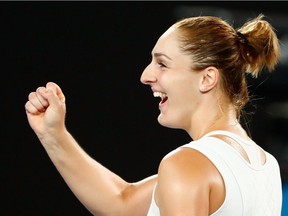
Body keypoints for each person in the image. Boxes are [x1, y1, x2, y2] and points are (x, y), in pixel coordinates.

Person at [25, 14, 282, 216]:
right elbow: (121, 203)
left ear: (207, 78)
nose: (146, 76)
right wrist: (53, 134)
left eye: (162, 63)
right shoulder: (266, 165)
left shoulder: (186, 164)